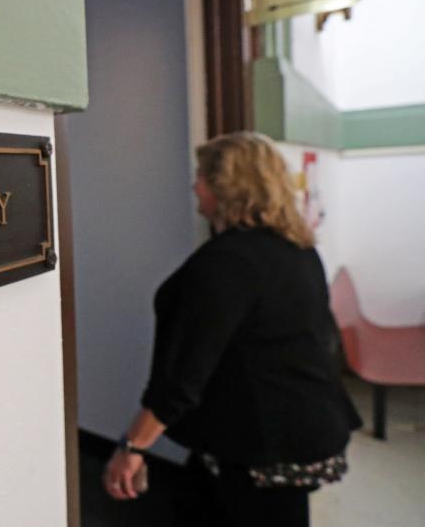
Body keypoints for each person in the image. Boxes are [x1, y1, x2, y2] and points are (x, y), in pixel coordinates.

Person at [103, 132, 362, 526]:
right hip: (286, 427)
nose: (195, 185)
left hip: (261, 446)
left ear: (228, 186)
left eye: (202, 176)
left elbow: (183, 376)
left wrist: (132, 446)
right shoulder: (298, 250)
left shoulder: (228, 263)